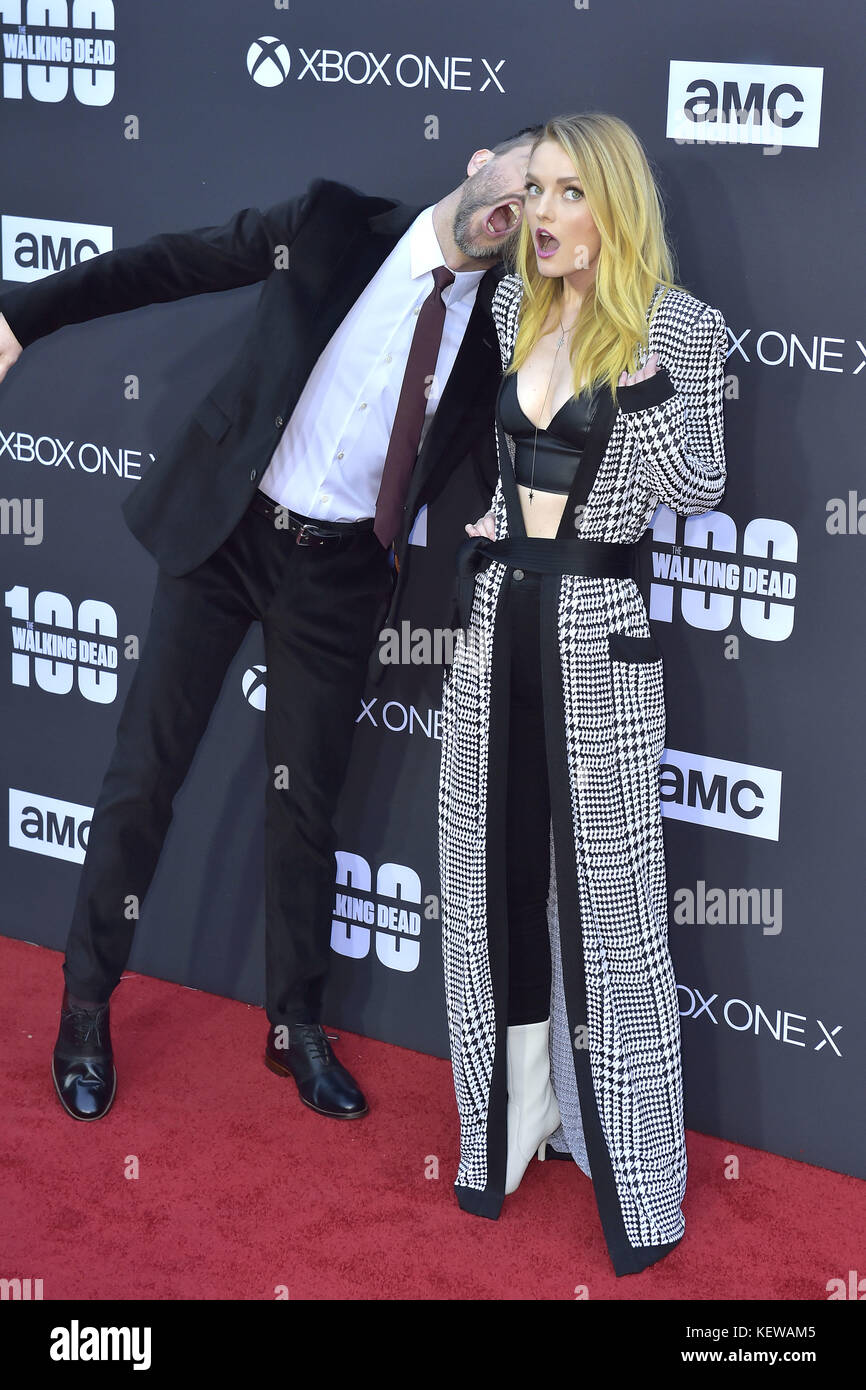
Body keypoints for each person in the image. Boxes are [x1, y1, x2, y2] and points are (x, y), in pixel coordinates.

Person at [0, 126, 542, 1123]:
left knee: (306, 809)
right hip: (227, 536)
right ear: (479, 165)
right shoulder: (329, 227)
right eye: (525, 175)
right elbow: (172, 262)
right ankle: (83, 1005)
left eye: (554, 196)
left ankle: (293, 1026)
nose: (527, 201)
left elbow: (523, 430)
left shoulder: (504, 324)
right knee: (142, 779)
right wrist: (22, 314)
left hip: (337, 576)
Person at [437, 112, 728, 1276]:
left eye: (567, 195)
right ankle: (509, 1129)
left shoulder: (680, 326)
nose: (545, 218)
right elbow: (513, 462)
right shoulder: (512, 306)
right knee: (484, 885)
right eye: (536, 193)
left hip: (598, 637)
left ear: (612, 205)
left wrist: (646, 374)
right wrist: (498, 520)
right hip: (496, 621)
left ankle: (637, 1171)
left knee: (612, 917)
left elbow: (696, 483)